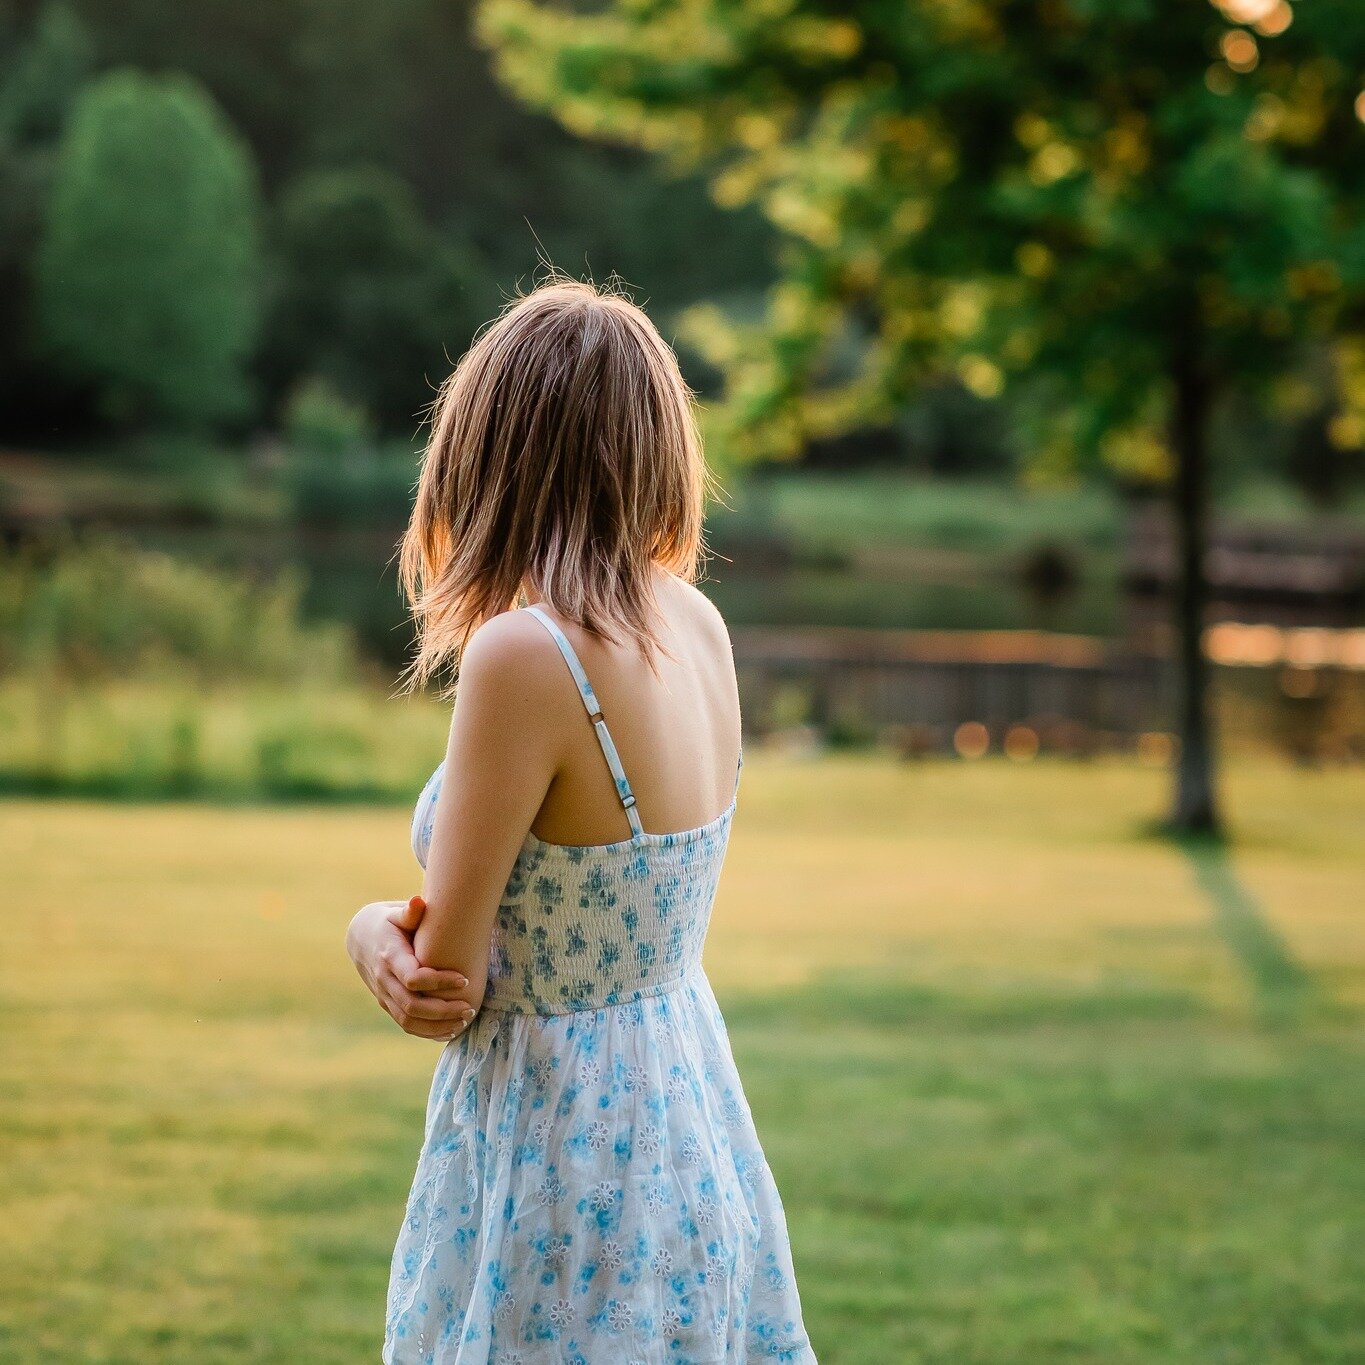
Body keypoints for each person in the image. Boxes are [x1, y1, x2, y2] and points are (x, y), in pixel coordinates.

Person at [346, 278, 815, 1363]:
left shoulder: (527, 652)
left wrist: (371, 929)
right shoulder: (694, 623)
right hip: (683, 1108)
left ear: (489, 456)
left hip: (561, 1138)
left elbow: (444, 990)